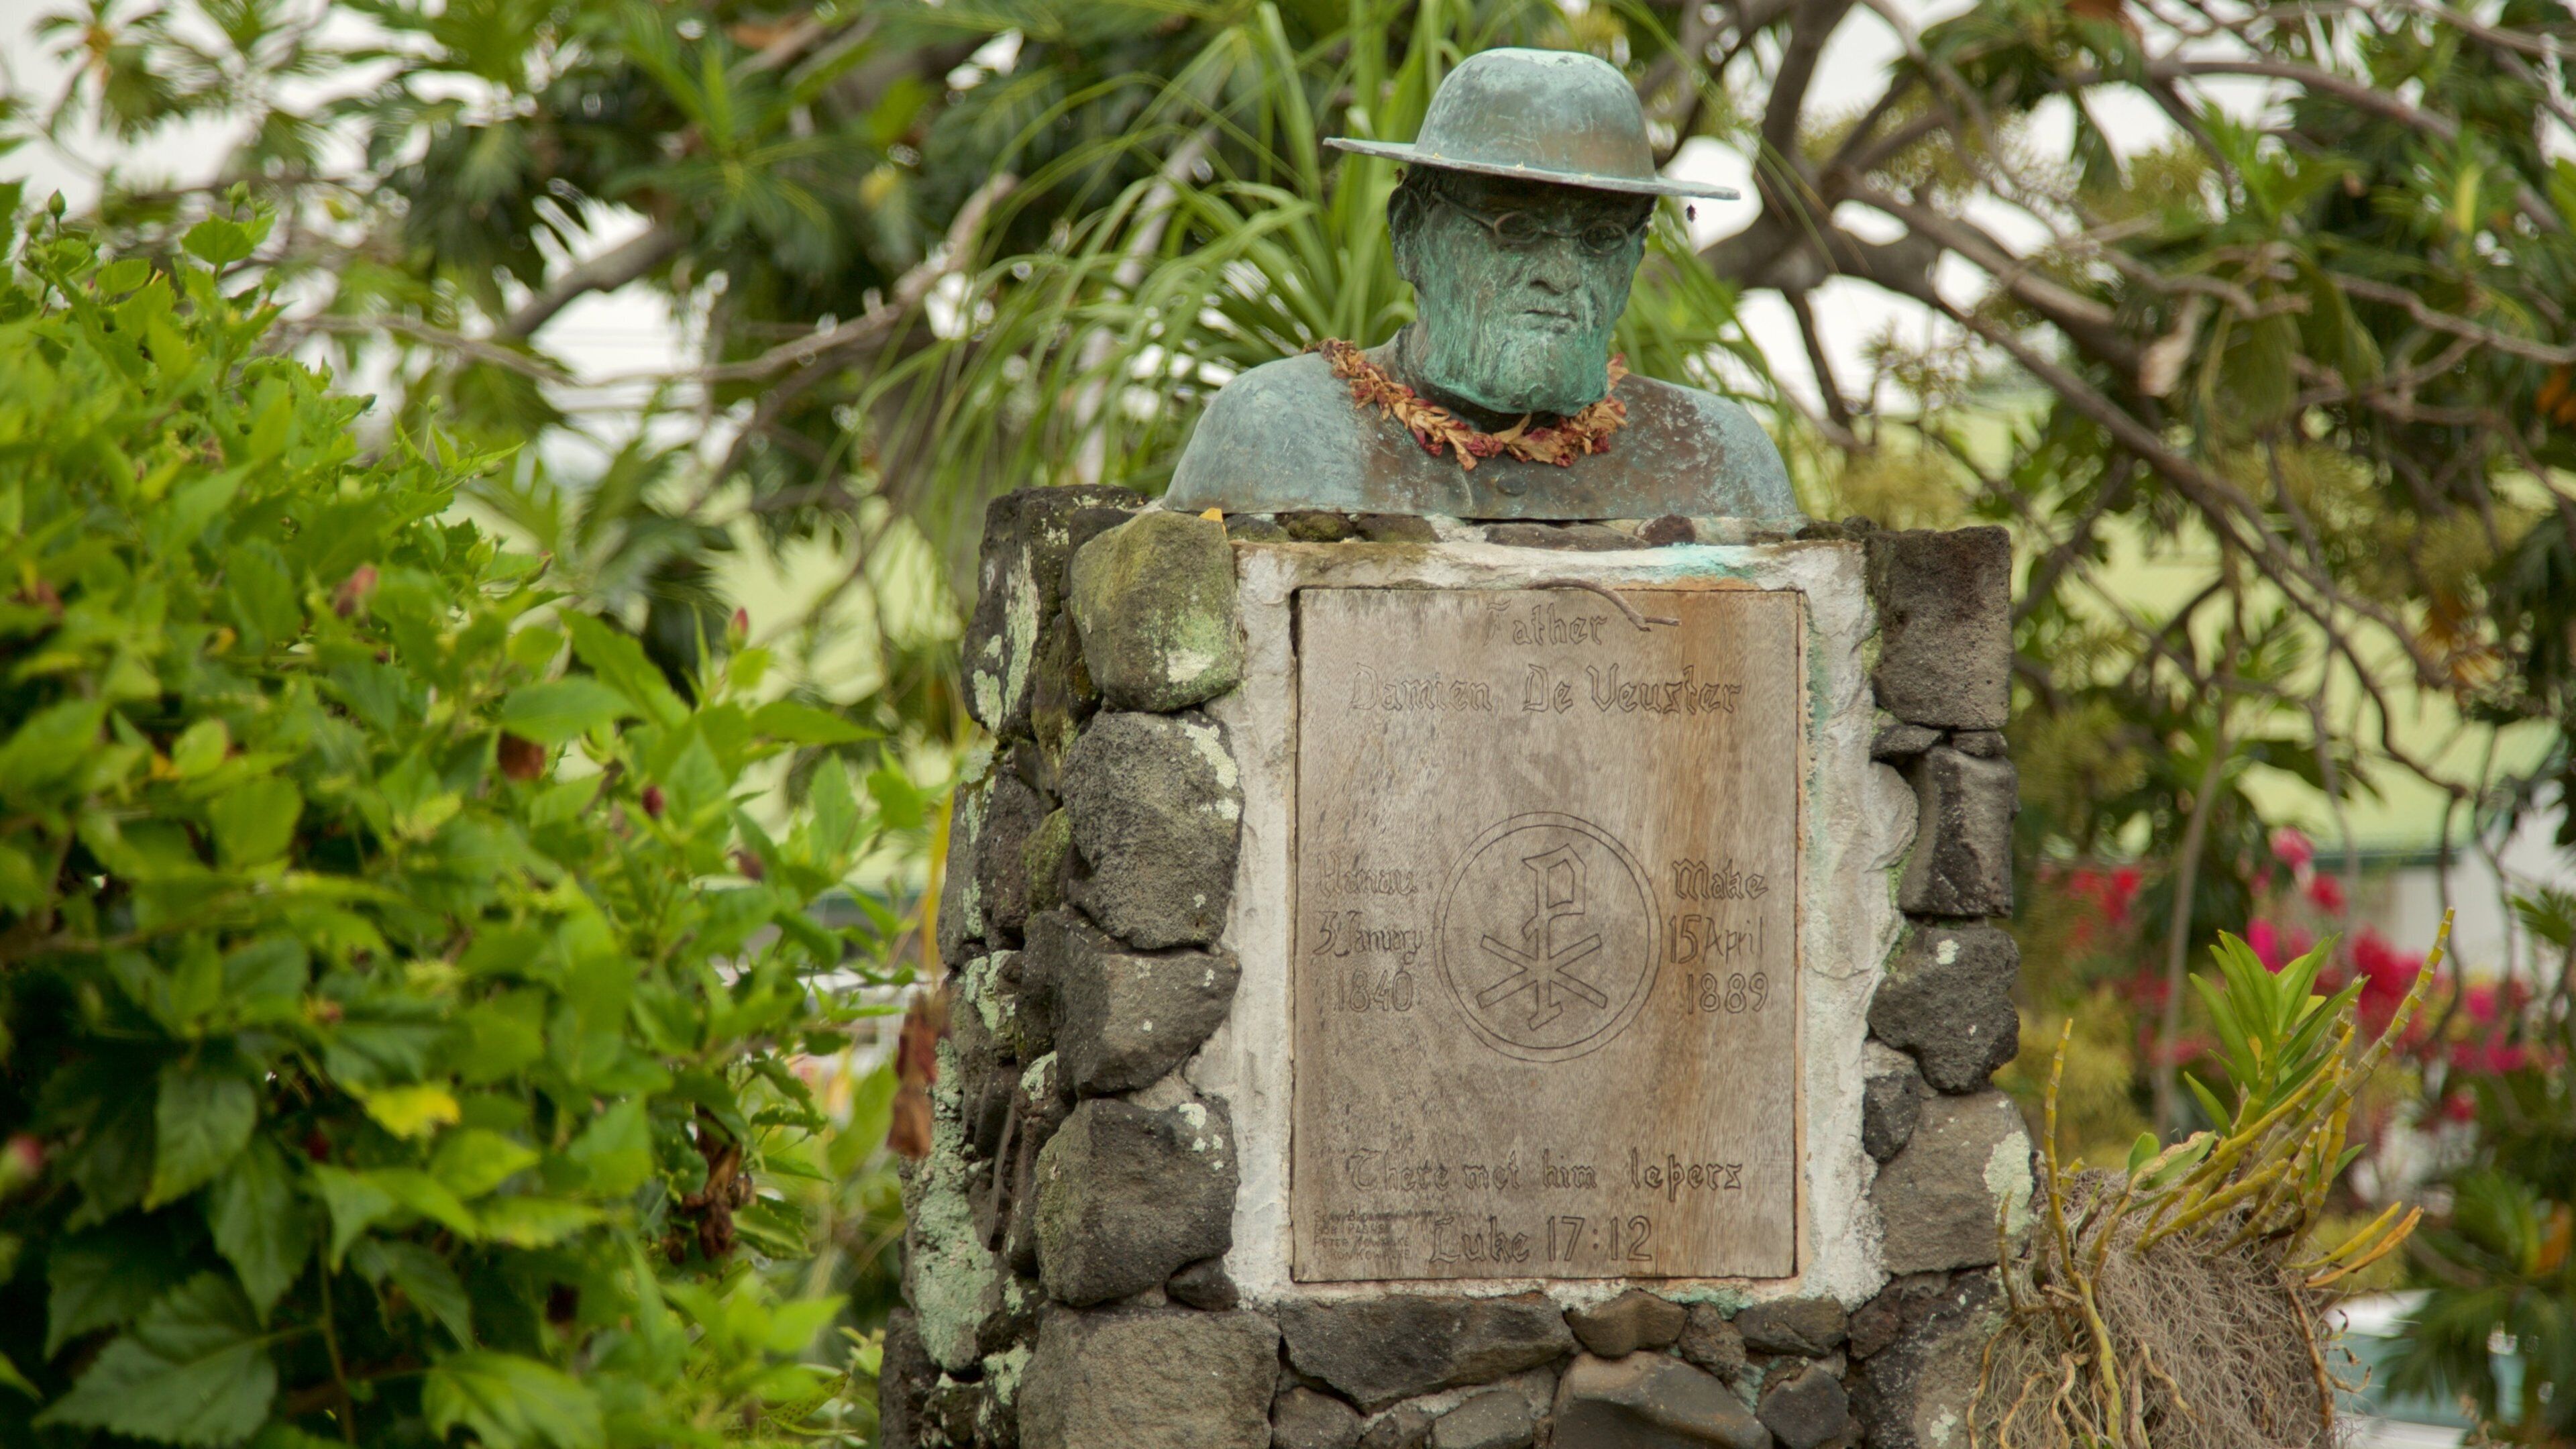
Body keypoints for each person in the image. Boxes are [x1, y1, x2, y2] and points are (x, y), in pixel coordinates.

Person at [1165, 46, 1801, 523]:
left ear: (1635, 257)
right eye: (1515, 227)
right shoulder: (1272, 436)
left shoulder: (1718, 461)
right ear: (1410, 233)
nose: (1561, 273)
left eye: (1602, 238)